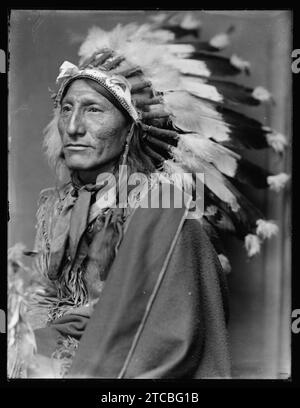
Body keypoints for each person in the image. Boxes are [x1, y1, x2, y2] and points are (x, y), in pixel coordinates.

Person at [14, 15, 289, 378]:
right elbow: (43, 298)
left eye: (93, 109)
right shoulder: (58, 205)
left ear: (131, 128)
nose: (74, 126)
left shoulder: (163, 206)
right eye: (67, 108)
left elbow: (167, 335)